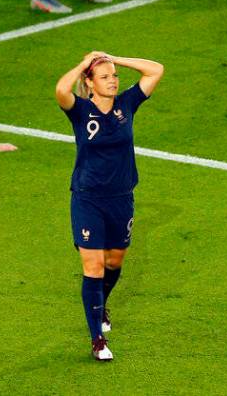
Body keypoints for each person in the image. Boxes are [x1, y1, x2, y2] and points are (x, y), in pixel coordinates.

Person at [55, 51, 164, 361]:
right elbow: (61, 90)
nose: (113, 80)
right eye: (104, 77)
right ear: (89, 83)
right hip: (88, 199)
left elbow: (156, 69)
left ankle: (101, 305)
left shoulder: (127, 105)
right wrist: (82, 64)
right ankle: (97, 340)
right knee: (93, 266)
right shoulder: (80, 111)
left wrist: (114, 58)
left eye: (114, 76)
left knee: (115, 262)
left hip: (122, 198)